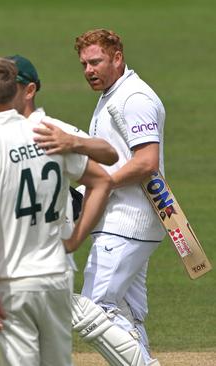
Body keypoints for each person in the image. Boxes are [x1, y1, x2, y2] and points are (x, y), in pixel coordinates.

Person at [0, 56, 112, 365]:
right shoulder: (48, 134)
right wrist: (76, 240)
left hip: (12, 279)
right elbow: (104, 178)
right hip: (56, 274)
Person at [71, 28, 166, 365]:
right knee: (125, 311)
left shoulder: (133, 98)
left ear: (117, 58)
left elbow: (146, 162)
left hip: (127, 221)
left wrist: (102, 185)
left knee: (94, 310)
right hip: (123, 221)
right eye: (83, 64)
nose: (88, 70)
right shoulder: (113, 95)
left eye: (95, 62)